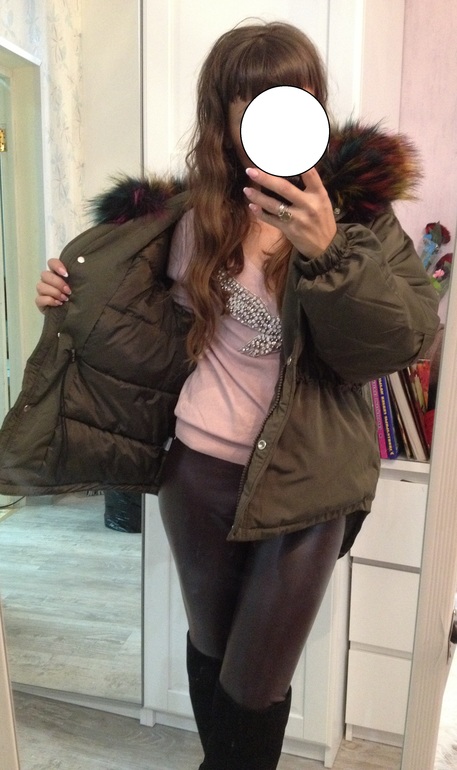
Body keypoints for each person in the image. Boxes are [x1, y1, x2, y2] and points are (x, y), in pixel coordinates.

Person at [18, 21, 441, 770]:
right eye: (250, 95)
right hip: (197, 472)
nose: (269, 109)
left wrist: (328, 252)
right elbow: (137, 337)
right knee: (212, 651)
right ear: (225, 110)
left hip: (306, 484)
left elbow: (397, 341)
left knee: (255, 683)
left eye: (289, 92)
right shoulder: (186, 216)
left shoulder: (359, 219)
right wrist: (69, 294)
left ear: (312, 103)